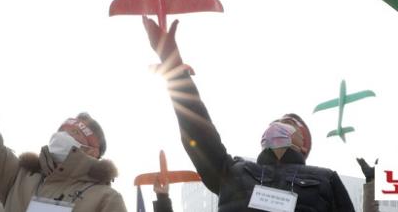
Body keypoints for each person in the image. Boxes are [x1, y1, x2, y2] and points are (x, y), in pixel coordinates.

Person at [142, 17, 355, 211]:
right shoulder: (232, 171)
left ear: (303, 144)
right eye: (277, 123)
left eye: (290, 125)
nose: (280, 126)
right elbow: (198, 131)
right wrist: (173, 65)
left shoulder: (327, 180)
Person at [0, 24, 126, 212]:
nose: (63, 135)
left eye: (75, 132)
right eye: (62, 129)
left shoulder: (105, 198)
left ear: (93, 151)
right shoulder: (20, 178)